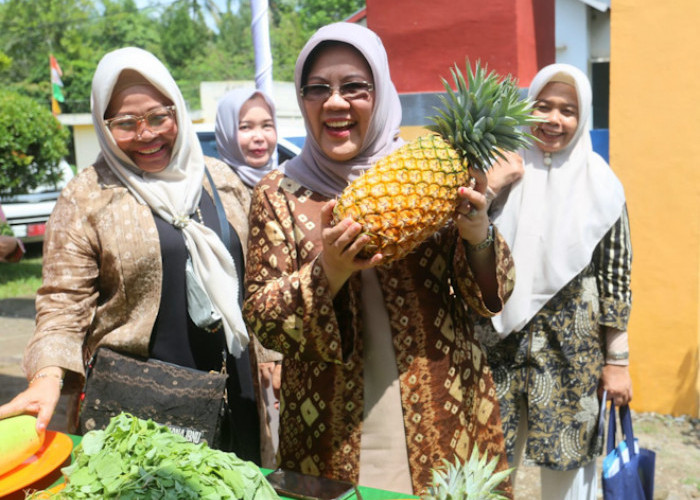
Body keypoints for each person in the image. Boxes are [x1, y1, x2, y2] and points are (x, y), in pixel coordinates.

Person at [243, 22, 515, 495]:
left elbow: (491, 299)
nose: (335, 102)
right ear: (301, 99)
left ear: (383, 93)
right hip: (328, 426)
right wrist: (331, 270)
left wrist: (477, 232)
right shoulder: (277, 193)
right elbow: (262, 319)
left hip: (441, 406)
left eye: (354, 87)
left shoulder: (430, 173)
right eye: (317, 89)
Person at [0, 47, 261, 463]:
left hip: (238, 392)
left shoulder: (223, 181)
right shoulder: (87, 196)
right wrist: (47, 377)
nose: (146, 134)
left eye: (159, 116)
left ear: (177, 110)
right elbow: (62, 303)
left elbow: (258, 282)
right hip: (140, 410)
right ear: (104, 126)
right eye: (126, 123)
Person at [479, 63, 633, 500]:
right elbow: (462, 244)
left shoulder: (602, 183)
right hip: (497, 349)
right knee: (486, 468)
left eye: (567, 110)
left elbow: (616, 275)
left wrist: (617, 361)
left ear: (582, 117)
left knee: (569, 481)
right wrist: (493, 187)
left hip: (572, 355)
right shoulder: (502, 168)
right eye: (542, 106)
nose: (553, 119)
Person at [215, 87, 283, 468]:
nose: (259, 136)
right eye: (245, 126)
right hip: (243, 346)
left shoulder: (289, 180)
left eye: (267, 125)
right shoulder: (215, 191)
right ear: (226, 131)